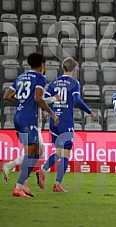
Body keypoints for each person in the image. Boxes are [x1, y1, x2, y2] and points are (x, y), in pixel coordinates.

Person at [36, 57, 98, 192]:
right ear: (74, 69)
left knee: (58, 152)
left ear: (63, 68)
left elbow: (43, 99)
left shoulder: (54, 82)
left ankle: (43, 169)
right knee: (66, 154)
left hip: (54, 121)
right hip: (65, 121)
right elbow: (77, 100)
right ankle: (57, 184)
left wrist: (43, 111)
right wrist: (90, 112)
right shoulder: (74, 83)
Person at [3, 52, 59, 197]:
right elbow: (38, 98)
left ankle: (22, 183)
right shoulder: (40, 77)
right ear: (42, 65)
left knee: (37, 152)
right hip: (29, 119)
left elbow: (7, 96)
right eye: (45, 64)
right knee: (31, 153)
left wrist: (23, 101)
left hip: (18, 117)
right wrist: (53, 114)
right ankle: (18, 187)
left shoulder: (20, 77)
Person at [2, 95, 61, 184]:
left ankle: (20, 175)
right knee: (34, 153)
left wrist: (42, 110)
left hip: (26, 125)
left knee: (37, 153)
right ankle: (13, 170)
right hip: (32, 126)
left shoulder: (26, 95)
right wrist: (54, 98)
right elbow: (39, 100)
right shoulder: (34, 91)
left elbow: (37, 102)